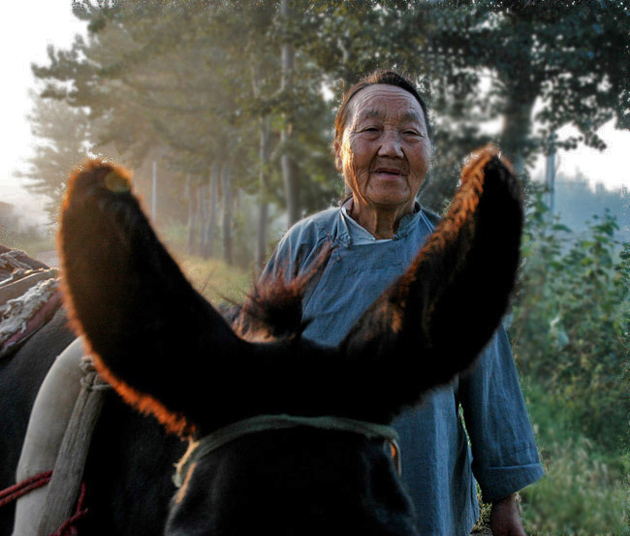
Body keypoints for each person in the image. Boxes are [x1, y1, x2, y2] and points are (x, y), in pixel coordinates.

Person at [261, 69, 544, 535]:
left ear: (428, 154)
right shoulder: (302, 246)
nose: (390, 148)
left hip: (424, 499)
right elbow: (259, 374)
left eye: (410, 134)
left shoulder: (456, 255)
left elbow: (489, 383)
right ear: (340, 151)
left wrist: (505, 502)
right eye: (370, 130)